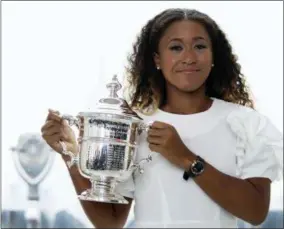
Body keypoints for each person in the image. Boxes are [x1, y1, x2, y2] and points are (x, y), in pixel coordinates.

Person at [41, 8, 283, 228]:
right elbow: (110, 222)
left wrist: (186, 158)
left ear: (213, 56)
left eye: (199, 46)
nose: (189, 57)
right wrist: (70, 153)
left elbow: (256, 211)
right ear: (157, 59)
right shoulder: (134, 128)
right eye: (176, 47)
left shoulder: (246, 124)